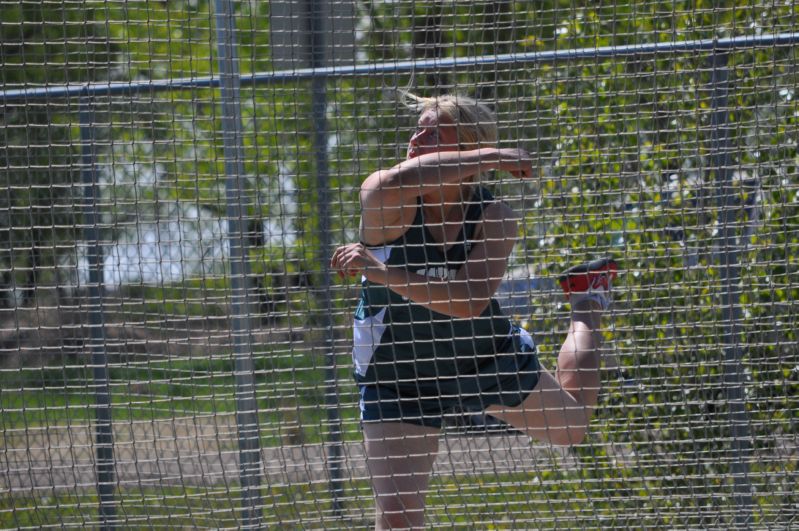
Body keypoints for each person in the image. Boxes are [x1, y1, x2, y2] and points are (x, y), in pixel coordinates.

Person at [330, 93, 618, 530]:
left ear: (465, 146)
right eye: (417, 129)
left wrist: (383, 274)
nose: (416, 138)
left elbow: (468, 301)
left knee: (573, 427)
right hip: (399, 376)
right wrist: (497, 155)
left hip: (481, 355)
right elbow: (403, 180)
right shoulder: (386, 195)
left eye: (433, 131)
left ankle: (586, 302)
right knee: (397, 515)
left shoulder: (495, 216)